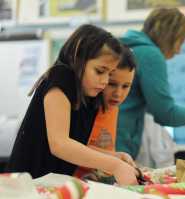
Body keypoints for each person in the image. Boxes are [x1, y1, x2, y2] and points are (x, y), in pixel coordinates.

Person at [6, 24, 138, 185]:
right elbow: (60, 144)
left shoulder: (89, 93)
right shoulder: (61, 77)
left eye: (109, 74)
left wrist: (113, 156)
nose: (104, 81)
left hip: (52, 186)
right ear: (78, 59)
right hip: (27, 184)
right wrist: (115, 165)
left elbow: (75, 145)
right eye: (99, 71)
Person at [117, 8, 185, 159]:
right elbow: (166, 114)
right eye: (181, 41)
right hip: (120, 143)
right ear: (169, 36)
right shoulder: (150, 55)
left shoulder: (129, 47)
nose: (179, 50)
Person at [74, 46, 137, 182]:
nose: (118, 94)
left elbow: (101, 150)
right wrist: (113, 160)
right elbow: (73, 147)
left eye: (126, 86)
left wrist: (117, 156)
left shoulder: (113, 107)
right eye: (112, 84)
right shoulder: (84, 107)